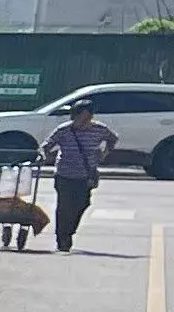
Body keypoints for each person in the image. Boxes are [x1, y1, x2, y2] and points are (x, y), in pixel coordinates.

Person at [42, 102, 118, 250]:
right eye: (80, 118)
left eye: (87, 118)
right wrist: (44, 155)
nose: (83, 122)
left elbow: (113, 138)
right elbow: (47, 144)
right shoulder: (64, 130)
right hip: (64, 174)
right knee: (64, 207)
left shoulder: (99, 129)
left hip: (85, 176)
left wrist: (104, 153)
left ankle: (69, 231)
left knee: (82, 204)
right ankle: (62, 238)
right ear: (74, 117)